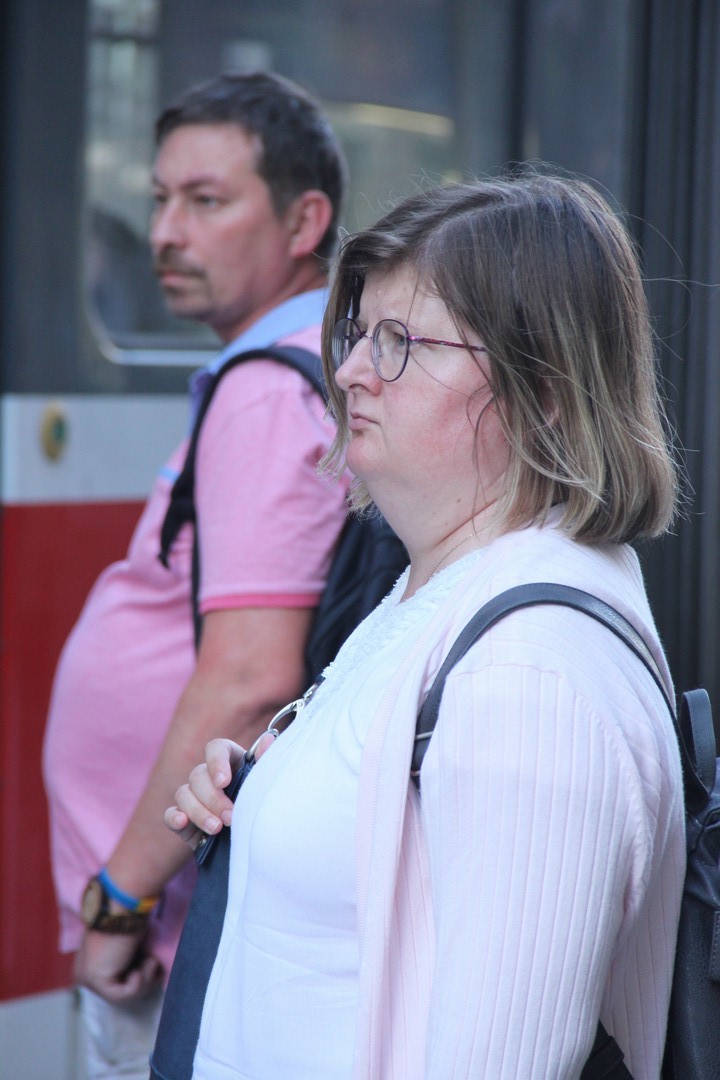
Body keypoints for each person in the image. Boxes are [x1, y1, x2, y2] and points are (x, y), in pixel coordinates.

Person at [167, 174, 685, 1079]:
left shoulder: (529, 681)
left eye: (402, 342)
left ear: (544, 389)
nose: (350, 373)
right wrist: (269, 791)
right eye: (359, 333)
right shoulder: (439, 587)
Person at [42, 71, 348, 1079]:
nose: (166, 233)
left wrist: (118, 899)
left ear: (305, 221)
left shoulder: (267, 392)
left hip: (173, 928)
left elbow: (250, 677)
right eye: (160, 199)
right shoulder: (312, 358)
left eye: (207, 201)